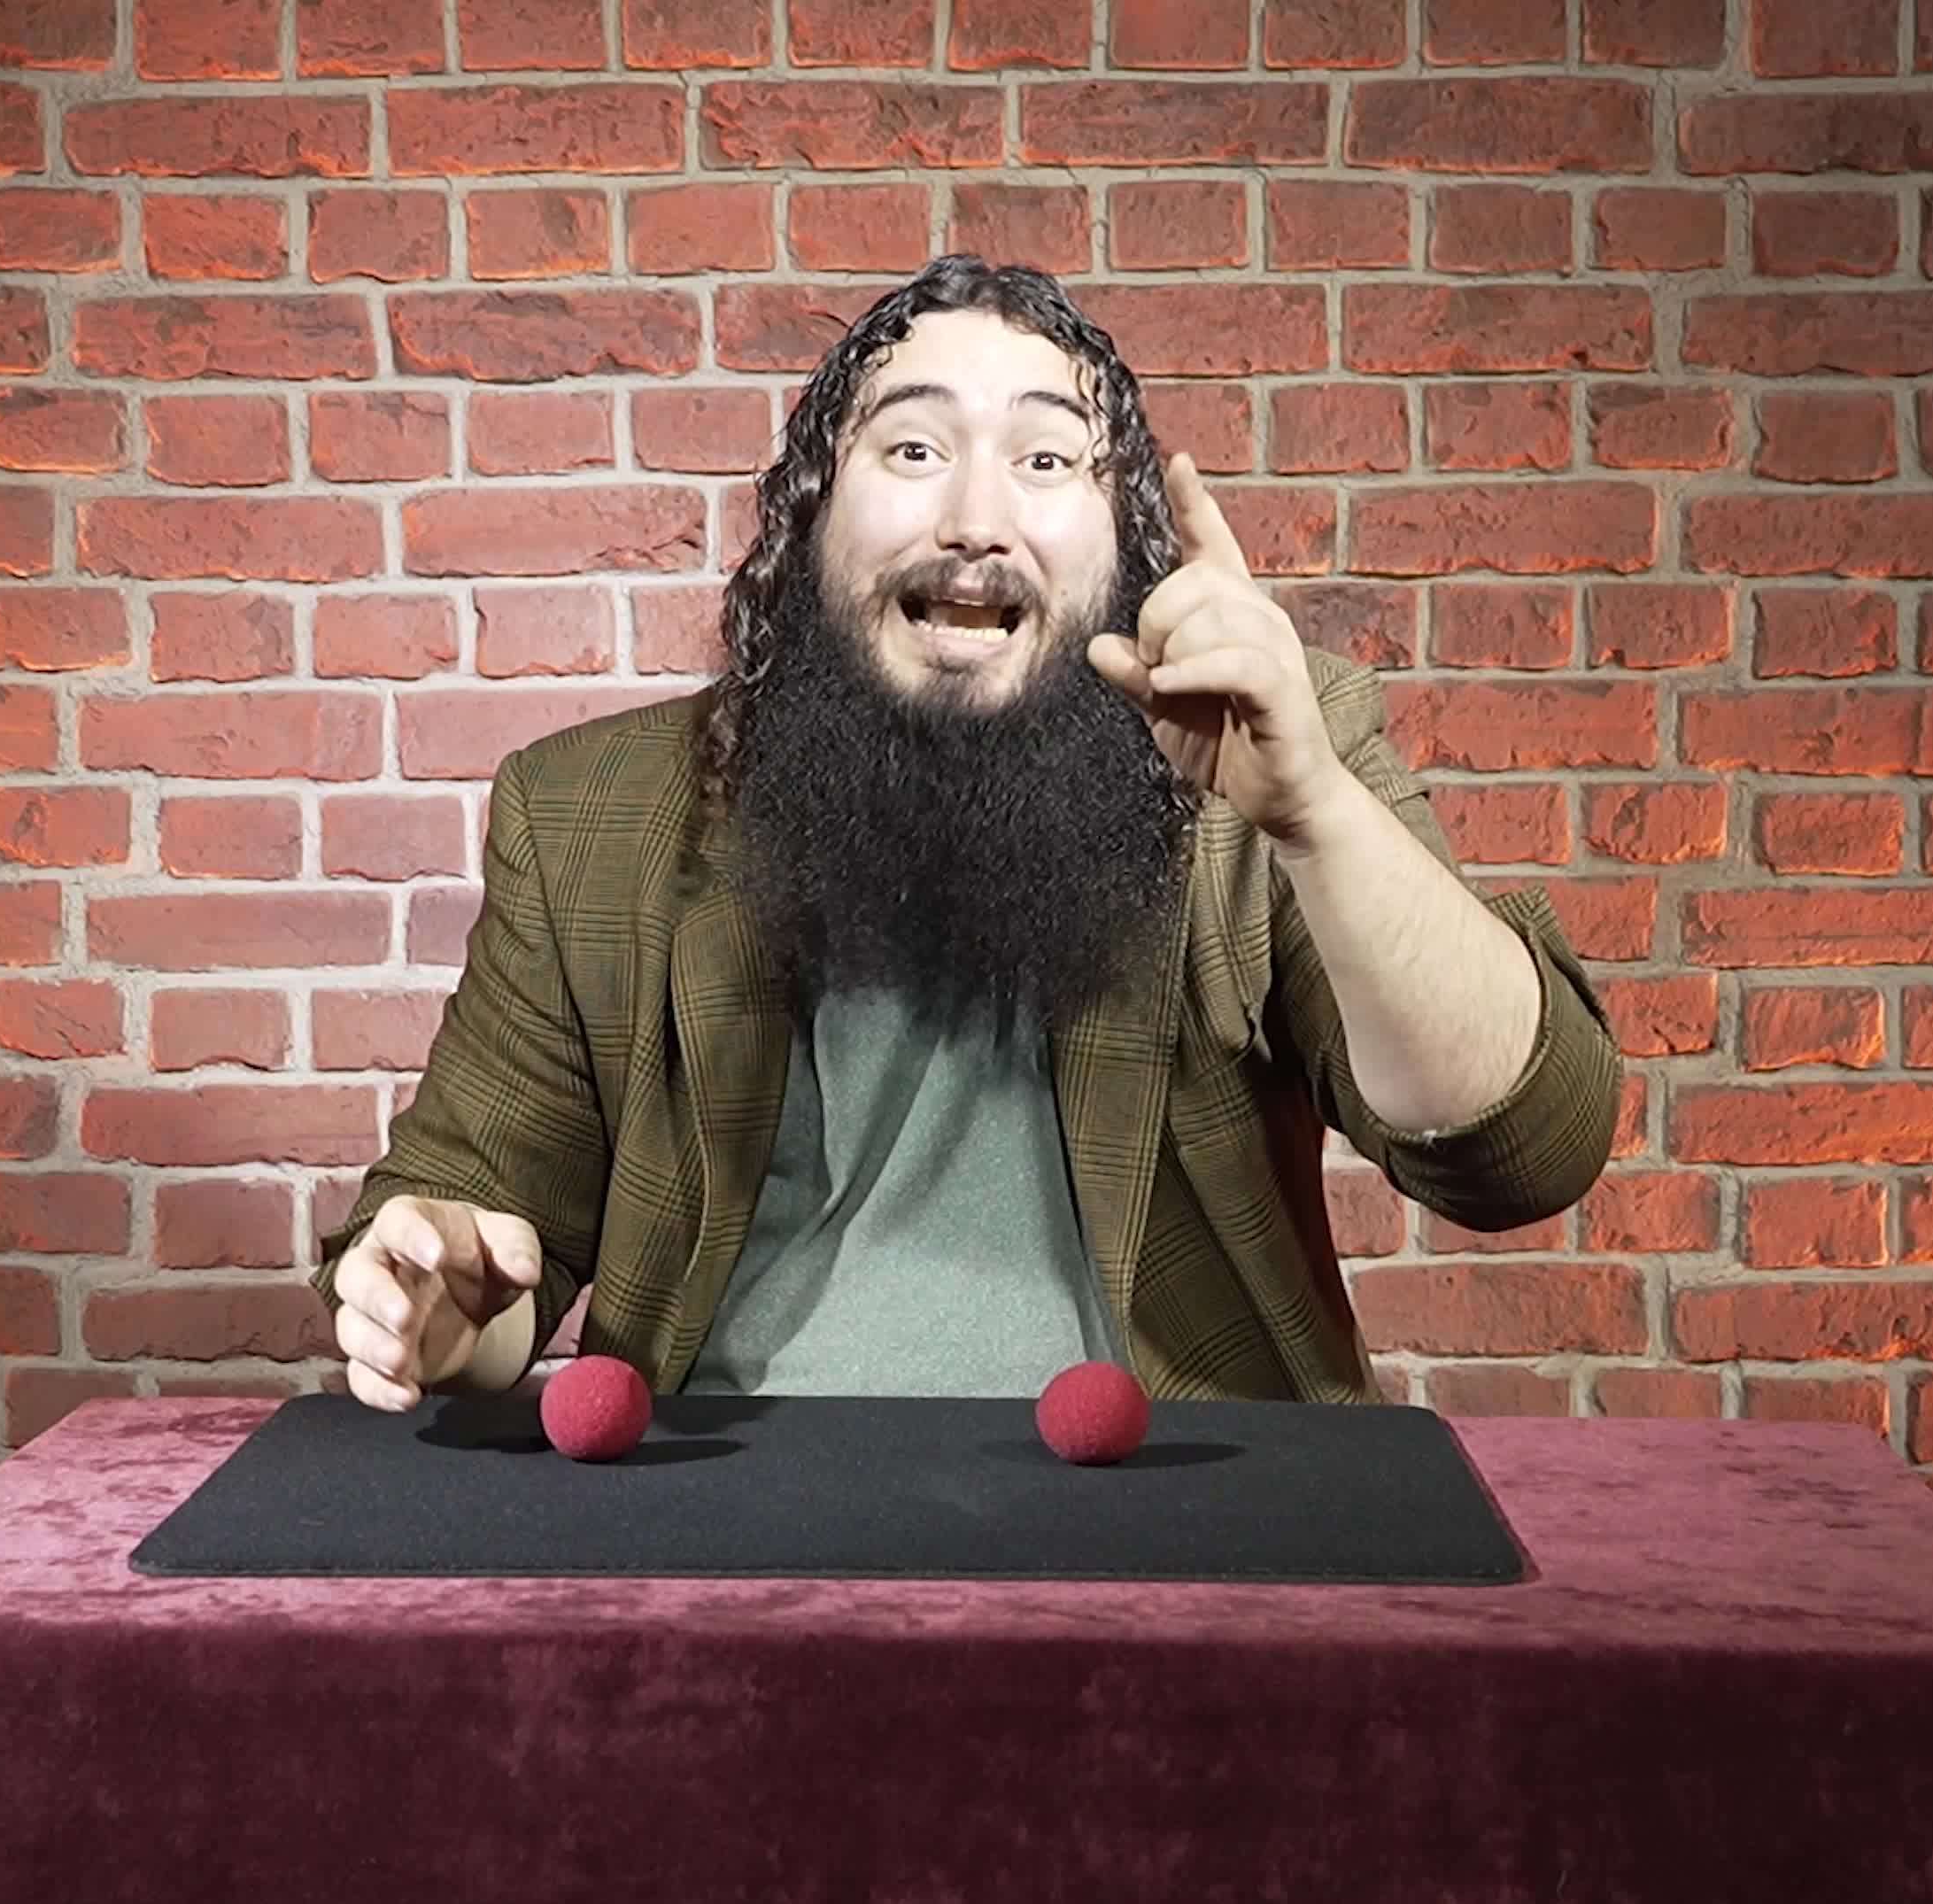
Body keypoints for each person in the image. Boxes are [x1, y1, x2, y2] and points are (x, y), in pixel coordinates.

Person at [317, 256, 1620, 1409]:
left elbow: (1528, 1149)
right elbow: (477, 1238)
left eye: (1046, 461)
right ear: (813, 516)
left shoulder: (1269, 761)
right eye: (913, 451)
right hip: (727, 1515)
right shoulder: (592, 815)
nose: (975, 522)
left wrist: (1317, 816)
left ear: (1124, 545)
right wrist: (440, 1310)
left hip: (1176, 1510)